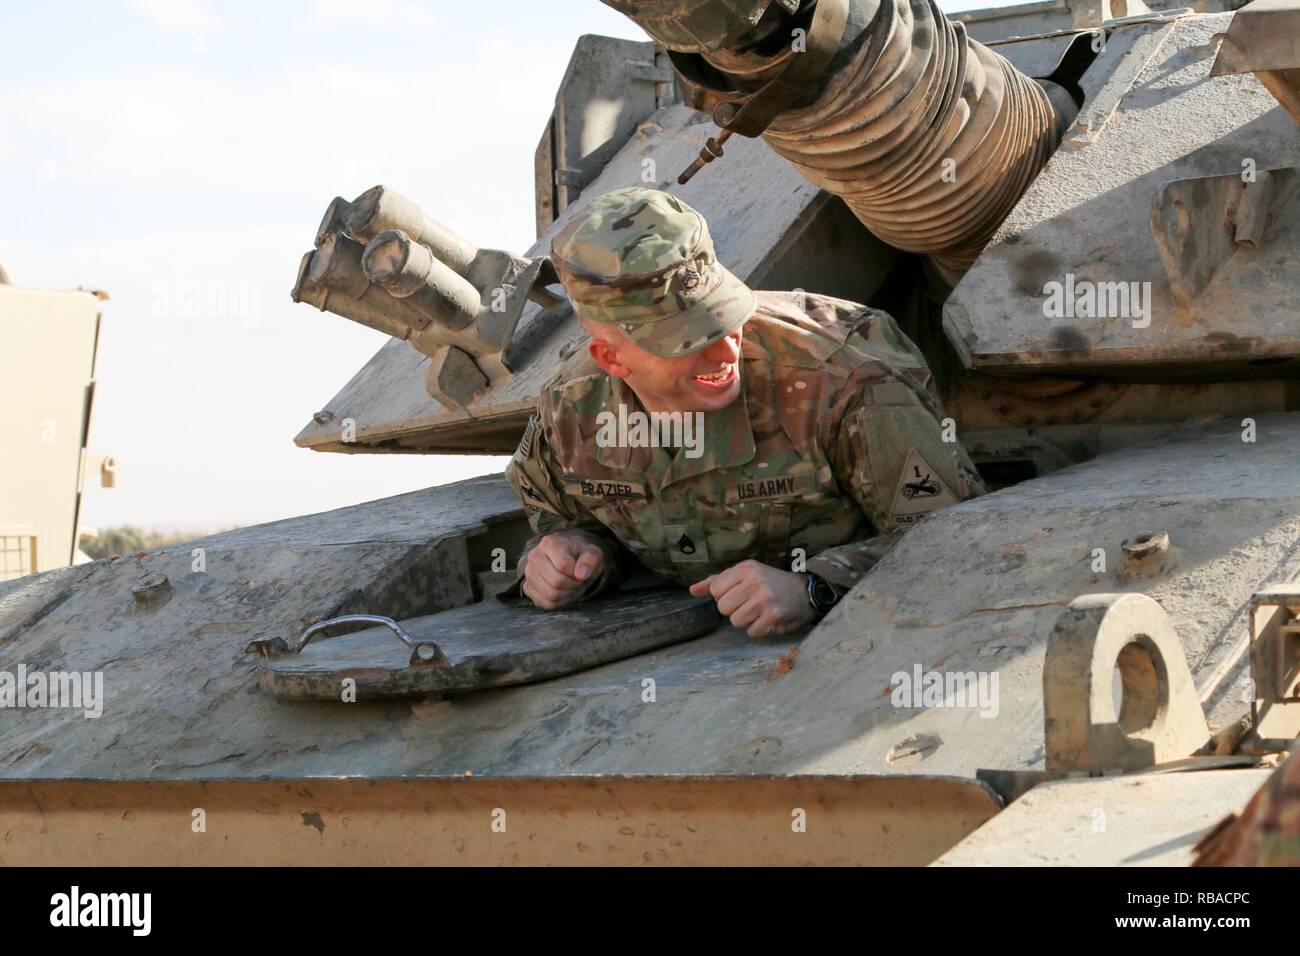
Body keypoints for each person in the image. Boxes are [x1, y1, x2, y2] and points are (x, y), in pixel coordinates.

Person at [503, 186, 984, 637]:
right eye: (686, 342)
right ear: (612, 359)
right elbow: (566, 526)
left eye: (725, 318)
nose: (724, 353)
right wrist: (571, 562)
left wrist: (816, 587)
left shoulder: (846, 379)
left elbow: (954, 538)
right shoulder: (570, 409)